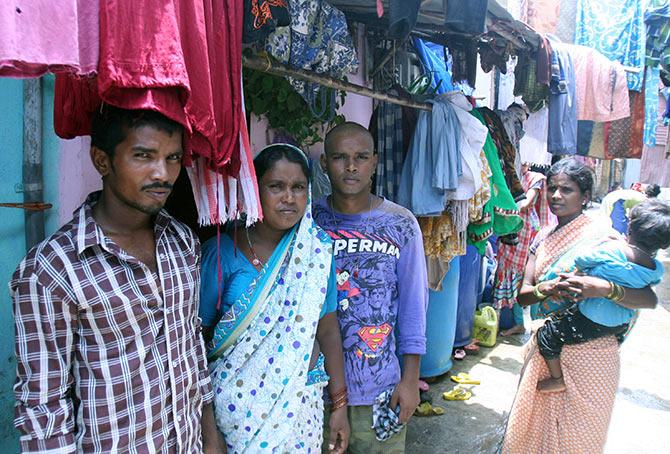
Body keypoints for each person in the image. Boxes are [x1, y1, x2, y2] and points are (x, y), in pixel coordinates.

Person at [11, 106, 223, 453]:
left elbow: (191, 348)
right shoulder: (51, 270)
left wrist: (211, 440)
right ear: (102, 161)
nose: (163, 173)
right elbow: (43, 407)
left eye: (172, 158)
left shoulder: (182, 242)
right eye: (144, 156)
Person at [199, 144, 349, 453]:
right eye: (276, 186)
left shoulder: (316, 251)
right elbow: (196, 340)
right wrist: (206, 424)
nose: (289, 197)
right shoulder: (222, 253)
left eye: (298, 188)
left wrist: (339, 406)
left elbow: (328, 329)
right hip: (236, 411)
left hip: (300, 405)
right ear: (255, 191)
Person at [502, 158, 659, 453]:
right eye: (552, 188)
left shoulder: (604, 239)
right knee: (533, 434)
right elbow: (522, 296)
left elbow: (649, 299)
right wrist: (543, 290)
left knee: (581, 437)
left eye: (567, 190)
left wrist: (602, 288)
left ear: (585, 197)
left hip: (594, 354)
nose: (556, 196)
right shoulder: (542, 238)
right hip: (548, 351)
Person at [314, 122, 428, 453]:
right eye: (340, 157)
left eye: (361, 157)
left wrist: (410, 381)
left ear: (375, 162)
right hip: (315, 388)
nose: (351, 167)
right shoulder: (309, 221)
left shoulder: (401, 223)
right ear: (324, 163)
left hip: (380, 388)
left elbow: (413, 307)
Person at [536, 198, 669, 393]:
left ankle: (557, 379)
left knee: (546, 336)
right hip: (619, 325)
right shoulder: (655, 268)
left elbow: (582, 259)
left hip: (589, 318)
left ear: (630, 226)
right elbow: (651, 286)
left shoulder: (612, 250)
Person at [495, 163, 555, 336]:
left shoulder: (535, 179)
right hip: (511, 232)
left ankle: (538, 325)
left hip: (528, 235)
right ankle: (520, 323)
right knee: (512, 279)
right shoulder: (508, 175)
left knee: (531, 280)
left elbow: (526, 203)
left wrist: (502, 206)